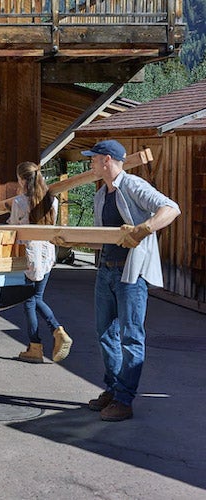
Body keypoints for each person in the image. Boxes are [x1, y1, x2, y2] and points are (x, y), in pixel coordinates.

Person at [81, 140, 180, 422]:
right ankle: (113, 390)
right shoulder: (101, 195)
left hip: (130, 274)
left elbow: (171, 208)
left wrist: (144, 228)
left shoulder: (133, 185)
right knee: (104, 333)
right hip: (106, 271)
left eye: (94, 159)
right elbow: (101, 237)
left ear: (107, 160)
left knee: (131, 338)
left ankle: (124, 400)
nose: (90, 163)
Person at [8, 161, 72, 364]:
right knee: (37, 297)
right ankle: (55, 334)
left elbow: (14, 227)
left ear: (21, 179)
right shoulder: (51, 200)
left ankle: (40, 343)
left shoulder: (20, 202)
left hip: (29, 255)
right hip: (46, 254)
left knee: (29, 301)